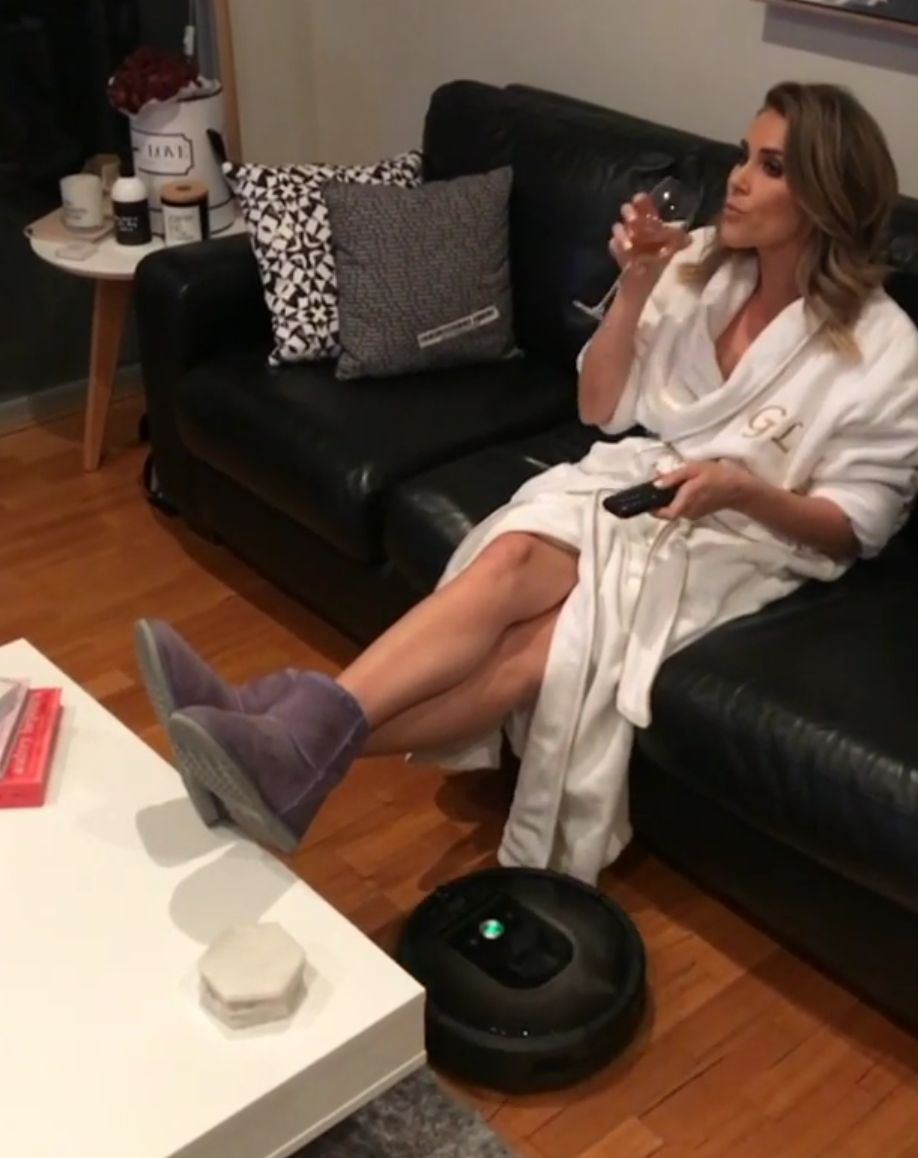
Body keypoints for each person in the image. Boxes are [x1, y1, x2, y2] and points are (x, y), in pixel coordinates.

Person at [135, 81, 918, 885]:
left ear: (827, 193)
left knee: (541, 657)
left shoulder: (882, 345)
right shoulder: (697, 266)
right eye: (745, 156)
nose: (739, 180)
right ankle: (279, 743)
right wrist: (637, 287)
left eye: (771, 167)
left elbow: (857, 525)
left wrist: (738, 490)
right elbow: (600, 408)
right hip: (647, 485)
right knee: (506, 560)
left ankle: (272, 727)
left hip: (749, 539)